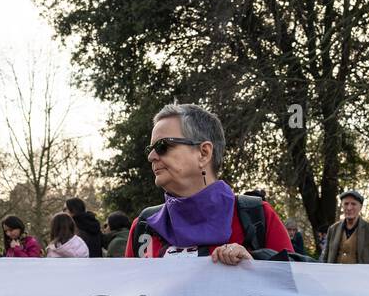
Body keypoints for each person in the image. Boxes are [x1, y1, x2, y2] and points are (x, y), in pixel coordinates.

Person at [123, 103, 293, 262]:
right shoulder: (144, 226)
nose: (151, 156)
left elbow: (295, 285)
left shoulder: (257, 216)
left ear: (204, 153)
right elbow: (129, 290)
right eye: (150, 149)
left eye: (162, 146)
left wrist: (254, 263)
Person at [322, 189, 369, 265]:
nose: (349, 208)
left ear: (360, 207)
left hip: (360, 276)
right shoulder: (333, 229)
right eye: (346, 204)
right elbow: (325, 259)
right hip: (335, 275)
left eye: (353, 204)